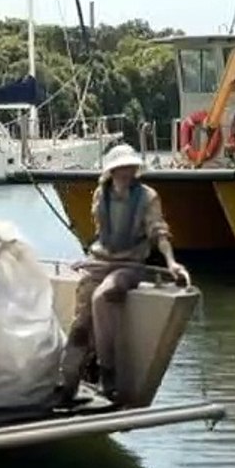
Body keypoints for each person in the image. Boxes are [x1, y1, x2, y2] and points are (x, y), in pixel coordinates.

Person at [56, 144, 188, 403]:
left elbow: (158, 231)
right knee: (81, 323)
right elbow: (101, 237)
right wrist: (87, 260)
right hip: (99, 262)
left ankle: (109, 374)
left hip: (129, 266)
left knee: (103, 297)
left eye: (131, 167)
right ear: (111, 171)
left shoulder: (148, 197)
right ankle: (67, 381)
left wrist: (171, 262)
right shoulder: (99, 194)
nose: (127, 172)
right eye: (121, 168)